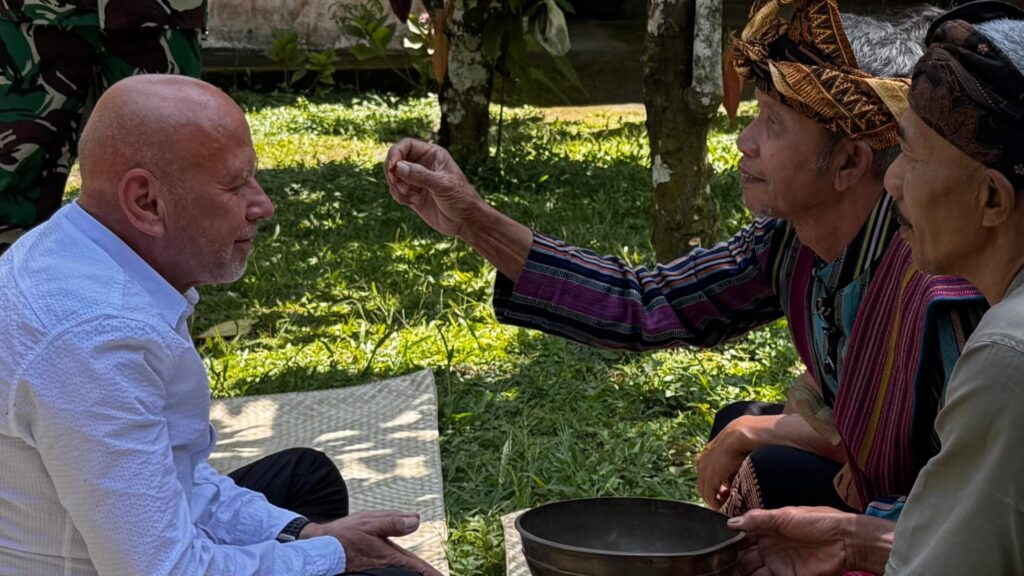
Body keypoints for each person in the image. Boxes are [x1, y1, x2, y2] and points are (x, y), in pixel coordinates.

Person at [385, 0, 985, 524]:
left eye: (774, 124)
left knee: (766, 465)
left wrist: (844, 529)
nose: (746, 141)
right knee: (739, 427)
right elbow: (650, 302)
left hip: (936, 524)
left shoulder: (939, 284)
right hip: (885, 492)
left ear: (850, 163)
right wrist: (474, 219)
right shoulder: (788, 242)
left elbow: (978, 499)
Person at [0, 74, 439, 576]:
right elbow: (167, 570)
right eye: (235, 185)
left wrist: (306, 536)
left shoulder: (81, 248)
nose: (263, 205)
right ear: (146, 202)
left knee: (306, 479)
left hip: (123, 542)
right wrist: (338, 554)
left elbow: (180, 478)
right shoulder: (94, 338)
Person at [730, 1, 1024, 574]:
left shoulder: (1001, 352)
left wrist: (861, 536)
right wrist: (854, 538)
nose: (892, 180)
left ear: (992, 198)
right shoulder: (790, 246)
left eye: (910, 155)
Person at [0, 0, 206, 252]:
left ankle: (152, 277)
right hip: (29, 12)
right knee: (14, 170)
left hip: (161, 13)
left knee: (164, 172)